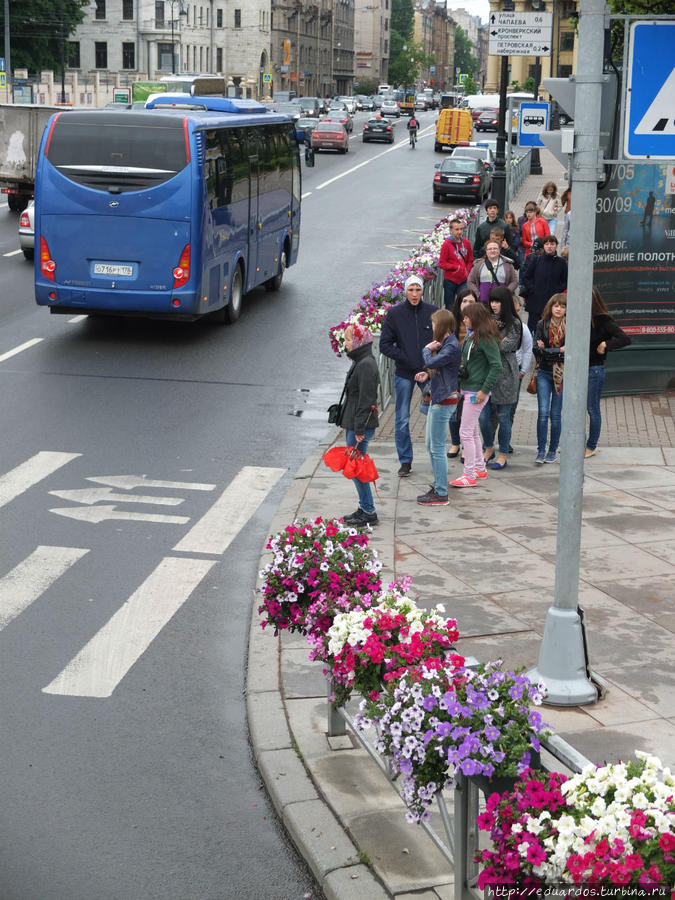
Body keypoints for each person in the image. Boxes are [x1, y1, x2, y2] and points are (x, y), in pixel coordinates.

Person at [379, 274, 435, 477]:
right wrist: (405, 358)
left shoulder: (432, 312)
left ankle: (435, 455)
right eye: (410, 290)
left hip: (428, 372)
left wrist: (430, 365)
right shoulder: (395, 314)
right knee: (402, 419)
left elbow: (442, 340)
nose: (414, 294)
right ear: (405, 291)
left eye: (418, 290)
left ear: (422, 291)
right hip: (404, 373)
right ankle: (405, 460)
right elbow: (384, 344)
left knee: (435, 414)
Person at [451, 302, 502, 488]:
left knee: (464, 432)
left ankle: (469, 474)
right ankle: (479, 468)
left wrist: (484, 390)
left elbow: (497, 366)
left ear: (476, 318)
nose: (464, 319)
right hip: (470, 389)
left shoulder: (486, 339)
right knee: (471, 431)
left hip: (476, 392)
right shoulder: (473, 337)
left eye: (467, 316)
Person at [338, 324, 381, 527]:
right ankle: (364, 507)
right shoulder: (361, 360)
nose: (345, 343)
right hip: (355, 422)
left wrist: (360, 430)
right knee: (356, 466)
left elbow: (366, 400)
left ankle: (369, 511)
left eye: (348, 340)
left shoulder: (365, 365)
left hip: (359, 426)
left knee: (356, 468)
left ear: (358, 342)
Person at [417, 309, 461, 505]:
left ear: (442, 325)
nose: (432, 326)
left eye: (434, 323)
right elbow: (439, 369)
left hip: (444, 401)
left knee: (437, 448)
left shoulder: (451, 346)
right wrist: (428, 375)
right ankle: (438, 485)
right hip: (439, 398)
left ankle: (441, 492)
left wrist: (426, 349)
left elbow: (430, 360)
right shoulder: (446, 344)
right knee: (430, 445)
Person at [479, 286, 522, 470]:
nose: (494, 305)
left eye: (497, 301)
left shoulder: (514, 323)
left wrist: (493, 343)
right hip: (487, 374)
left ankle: (503, 453)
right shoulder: (486, 321)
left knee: (504, 417)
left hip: (506, 375)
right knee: (483, 417)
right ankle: (489, 448)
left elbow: (508, 346)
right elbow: (481, 343)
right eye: (492, 301)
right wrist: (497, 343)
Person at [585, 287, 631, 458]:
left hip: (593, 369)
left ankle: (591, 445)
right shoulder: (574, 316)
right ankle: (577, 442)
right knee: (573, 408)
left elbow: (625, 338)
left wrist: (605, 345)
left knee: (592, 408)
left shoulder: (602, 320)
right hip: (576, 369)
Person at [533, 293, 567, 465]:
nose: (559, 309)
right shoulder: (542, 324)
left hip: (562, 375)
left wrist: (547, 350)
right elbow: (536, 350)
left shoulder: (570, 326)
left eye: (562, 306)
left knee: (555, 415)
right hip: (544, 373)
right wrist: (559, 351)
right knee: (543, 413)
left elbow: (570, 352)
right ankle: (540, 450)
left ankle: (552, 450)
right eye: (556, 305)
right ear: (550, 307)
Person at [447, 286, 479, 459]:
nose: (467, 304)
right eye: (464, 301)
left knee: (468, 412)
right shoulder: (451, 321)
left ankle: (467, 447)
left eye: (471, 302)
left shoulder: (480, 323)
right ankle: (455, 443)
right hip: (453, 371)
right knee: (453, 408)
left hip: (472, 373)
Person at [521, 234, 568, 335]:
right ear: (543, 246)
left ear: (556, 245)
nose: (549, 246)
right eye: (547, 244)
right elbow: (526, 277)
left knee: (550, 331)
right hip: (535, 301)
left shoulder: (561, 262)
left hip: (552, 301)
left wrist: (557, 290)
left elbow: (566, 280)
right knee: (532, 329)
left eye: (552, 244)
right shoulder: (536, 260)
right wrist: (533, 289)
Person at [467, 238, 518, 304]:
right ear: (486, 251)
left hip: (502, 302)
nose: (492, 251)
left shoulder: (507, 264)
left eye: (495, 248)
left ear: (499, 250)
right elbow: (470, 281)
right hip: (482, 302)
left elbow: (514, 281)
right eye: (490, 249)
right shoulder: (478, 264)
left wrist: (507, 292)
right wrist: (477, 294)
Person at [438, 218, 474, 310]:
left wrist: (467, 271)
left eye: (461, 229)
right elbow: (441, 263)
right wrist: (455, 267)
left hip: (463, 280)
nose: (459, 232)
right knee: (450, 306)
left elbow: (470, 259)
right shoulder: (446, 244)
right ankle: (451, 323)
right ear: (451, 230)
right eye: (456, 229)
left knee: (464, 304)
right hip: (450, 281)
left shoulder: (466, 242)